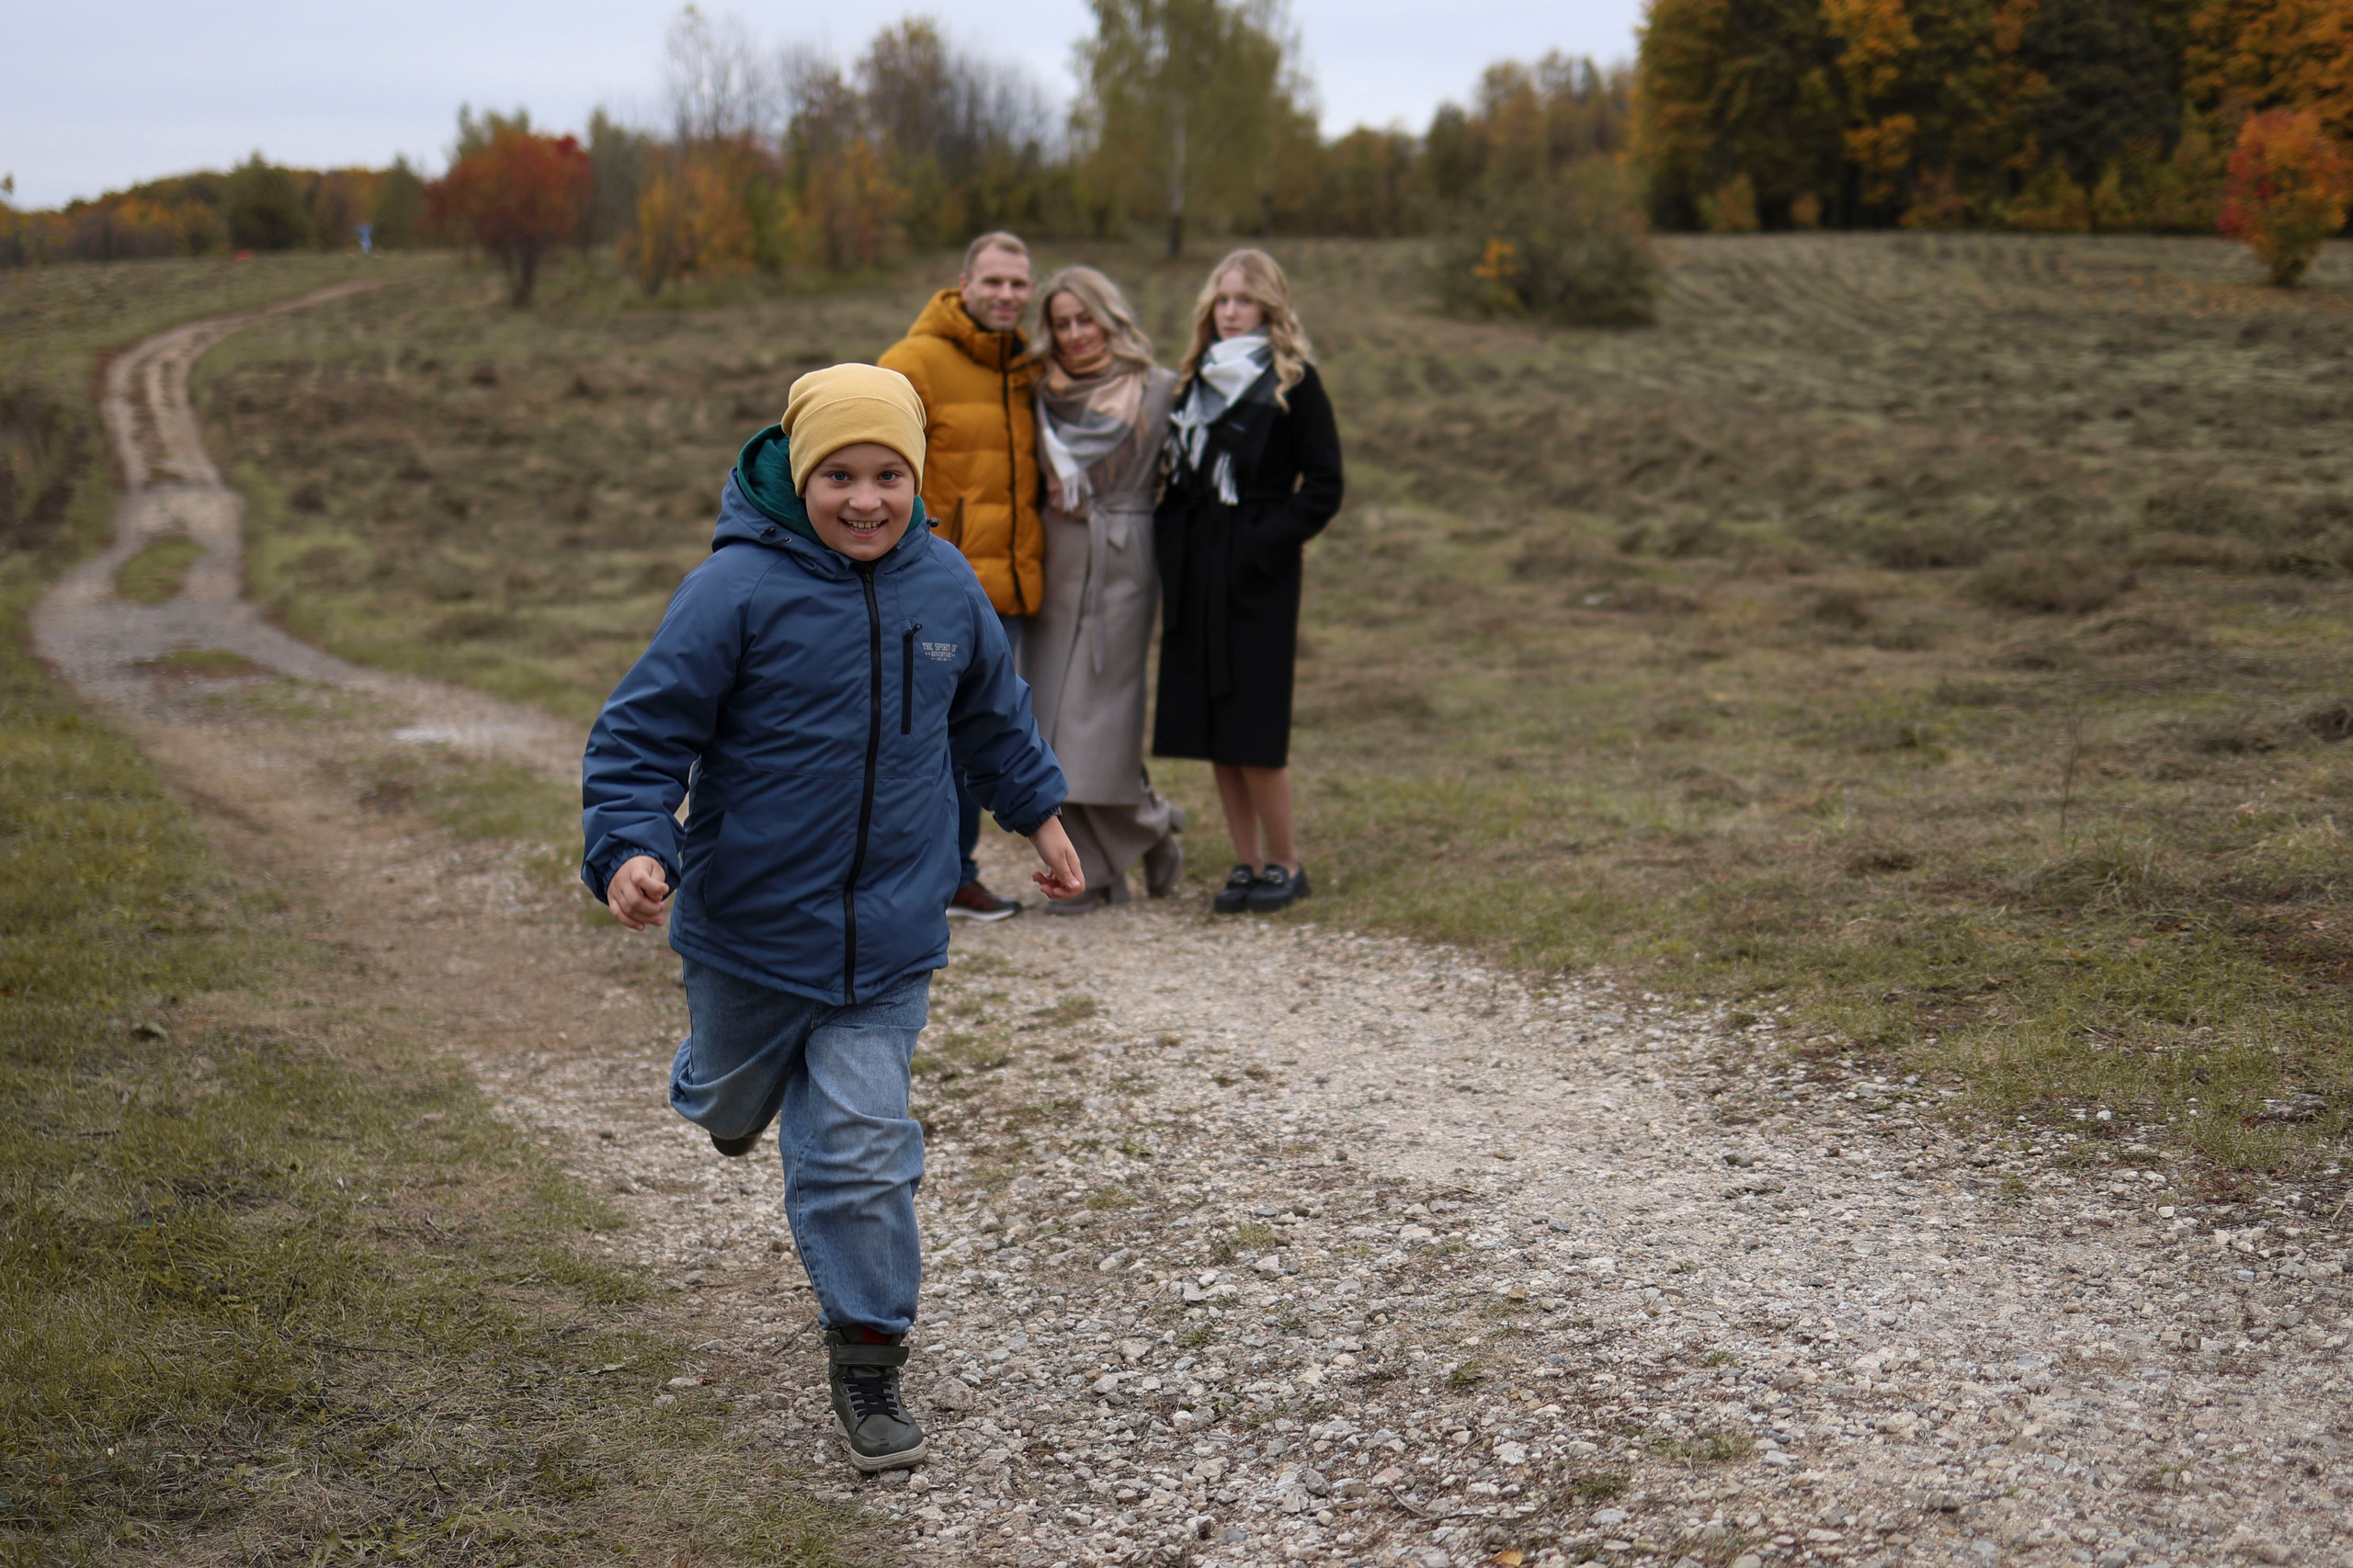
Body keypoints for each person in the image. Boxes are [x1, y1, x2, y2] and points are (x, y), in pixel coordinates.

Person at [579, 364, 1085, 1473]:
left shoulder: (945, 584)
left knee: (859, 1148)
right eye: (840, 475)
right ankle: (723, 1090)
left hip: (891, 933)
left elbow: (993, 719)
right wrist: (630, 848)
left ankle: (867, 1356)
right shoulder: (733, 590)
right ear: (800, 477)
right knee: (727, 1092)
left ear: (917, 478)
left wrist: (1042, 817)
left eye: (888, 475)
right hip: (750, 930)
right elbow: (642, 737)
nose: (866, 498)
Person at [1154, 248, 1344, 915]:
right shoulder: (1194, 381)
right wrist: (1172, 544)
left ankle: (1287, 865)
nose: (1230, 311)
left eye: (1244, 300)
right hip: (1196, 565)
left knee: (1254, 724)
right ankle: (1247, 862)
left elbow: (1325, 485)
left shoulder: (1295, 383)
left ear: (1269, 307)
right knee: (1213, 724)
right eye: (1222, 300)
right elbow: (1177, 478)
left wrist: (1264, 541)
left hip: (1258, 572)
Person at [880, 232, 1043, 923]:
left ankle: (955, 876)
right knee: (918, 736)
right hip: (933, 582)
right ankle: (915, 877)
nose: (1007, 294)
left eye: (1018, 283)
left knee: (979, 731)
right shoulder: (912, 362)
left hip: (1007, 587)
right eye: (994, 281)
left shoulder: (1025, 366)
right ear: (964, 284)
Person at [1021, 266, 1186, 911]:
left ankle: (1142, 831)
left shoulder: (1158, 388)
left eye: (1084, 319)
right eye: (1061, 323)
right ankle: (1113, 860)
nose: (1074, 334)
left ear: (1109, 317)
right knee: (1051, 721)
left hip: (1125, 557)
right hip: (1057, 555)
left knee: (1102, 724)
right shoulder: (1041, 391)